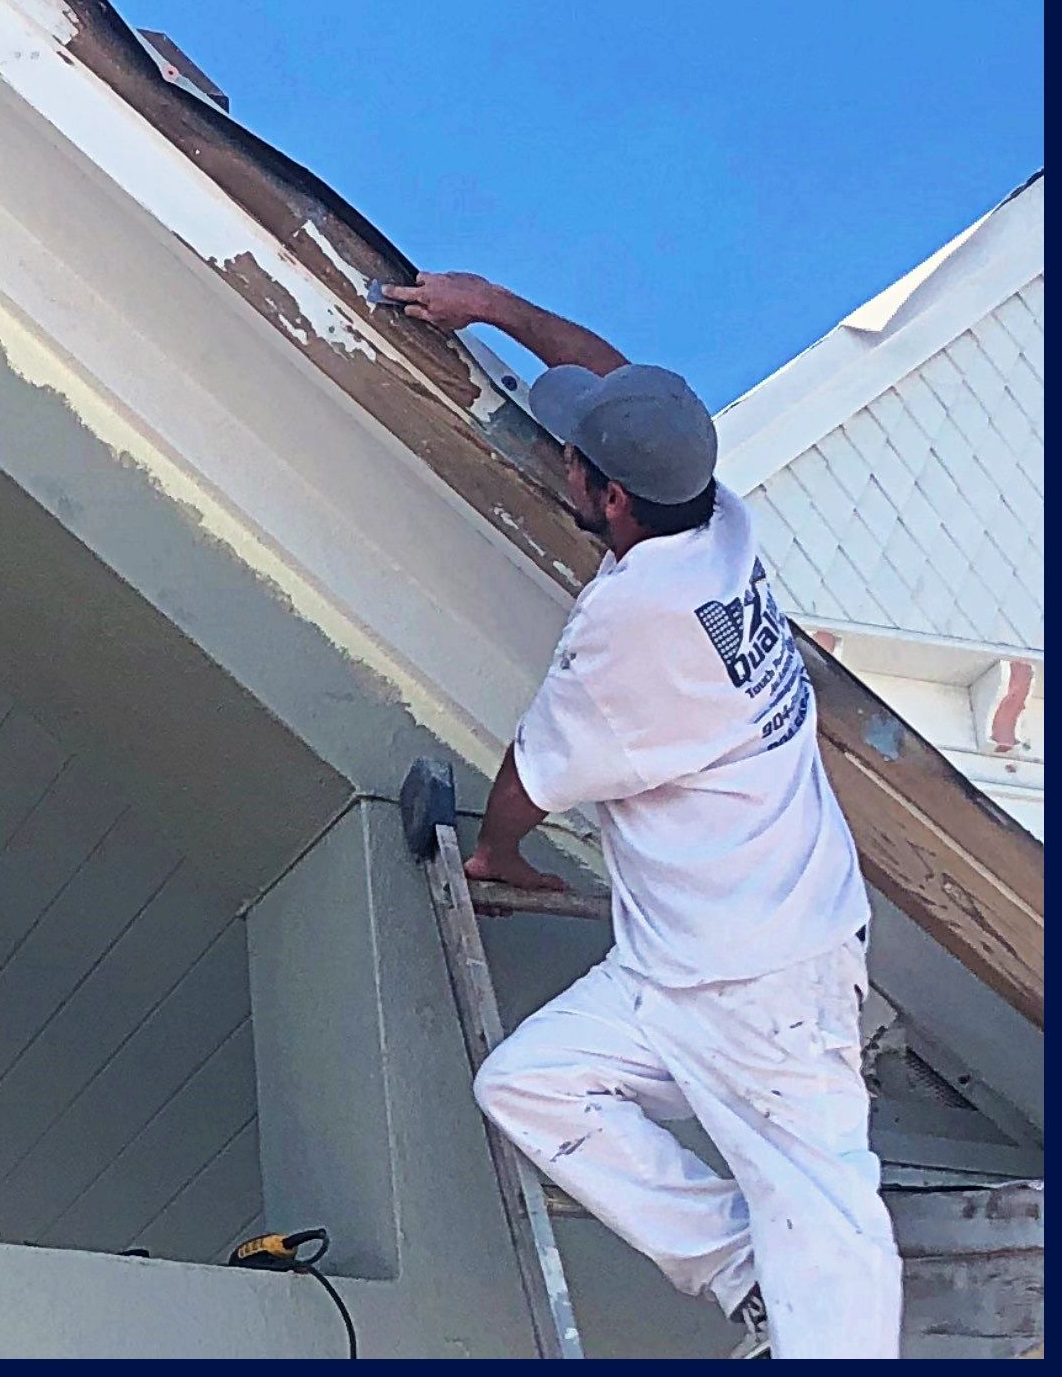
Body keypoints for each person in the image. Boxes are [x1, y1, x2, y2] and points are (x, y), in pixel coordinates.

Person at [383, 272, 903, 1362]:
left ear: (610, 500)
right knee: (528, 1086)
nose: (561, 460)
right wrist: (494, 306)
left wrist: (497, 847)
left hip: (767, 972)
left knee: (827, 1216)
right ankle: (738, 1273)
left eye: (574, 461)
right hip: (678, 962)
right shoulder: (717, 517)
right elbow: (621, 381)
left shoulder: (636, 619)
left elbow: (529, 769)